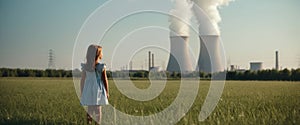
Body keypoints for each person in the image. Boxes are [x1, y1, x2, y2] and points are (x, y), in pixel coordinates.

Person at [80, 44, 109, 124]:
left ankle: (88, 123)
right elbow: (105, 79)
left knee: (90, 109)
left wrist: (82, 92)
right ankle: (97, 123)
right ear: (98, 54)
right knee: (98, 110)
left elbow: (82, 80)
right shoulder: (101, 66)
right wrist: (107, 91)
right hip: (98, 90)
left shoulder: (85, 67)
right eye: (101, 52)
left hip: (88, 89)